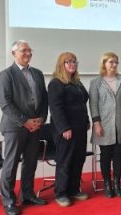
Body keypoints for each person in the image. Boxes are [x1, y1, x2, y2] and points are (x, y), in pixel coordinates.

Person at [0, 40, 48, 215]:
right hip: (14, 127)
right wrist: (25, 121)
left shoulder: (38, 74)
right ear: (14, 53)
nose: (28, 53)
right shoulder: (6, 75)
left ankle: (27, 194)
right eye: (23, 50)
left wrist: (41, 119)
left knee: (30, 162)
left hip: (35, 127)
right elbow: (5, 103)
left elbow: (44, 100)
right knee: (10, 164)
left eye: (29, 50)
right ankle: (9, 201)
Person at [48, 52, 90, 207]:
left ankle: (73, 189)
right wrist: (64, 128)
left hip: (80, 129)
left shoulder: (77, 82)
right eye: (69, 62)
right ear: (62, 64)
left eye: (74, 61)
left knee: (78, 159)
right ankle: (61, 193)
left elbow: (82, 103)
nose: (72, 64)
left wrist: (87, 120)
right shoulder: (56, 83)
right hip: (66, 130)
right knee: (65, 161)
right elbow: (55, 108)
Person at [89, 52, 121, 198]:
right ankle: (107, 183)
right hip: (103, 124)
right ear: (104, 63)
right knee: (106, 155)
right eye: (111, 62)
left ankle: (116, 182)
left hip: (120, 124)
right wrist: (96, 124)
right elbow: (93, 105)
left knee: (119, 155)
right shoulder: (96, 82)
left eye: (116, 62)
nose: (113, 64)